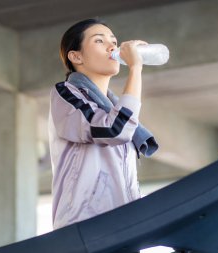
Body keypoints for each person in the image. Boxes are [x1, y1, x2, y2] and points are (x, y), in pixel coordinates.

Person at [49, 18, 158, 230]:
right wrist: (135, 69)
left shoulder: (114, 107)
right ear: (76, 56)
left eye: (114, 41)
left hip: (123, 228)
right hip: (83, 227)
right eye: (99, 41)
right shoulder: (65, 93)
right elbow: (114, 129)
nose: (112, 47)